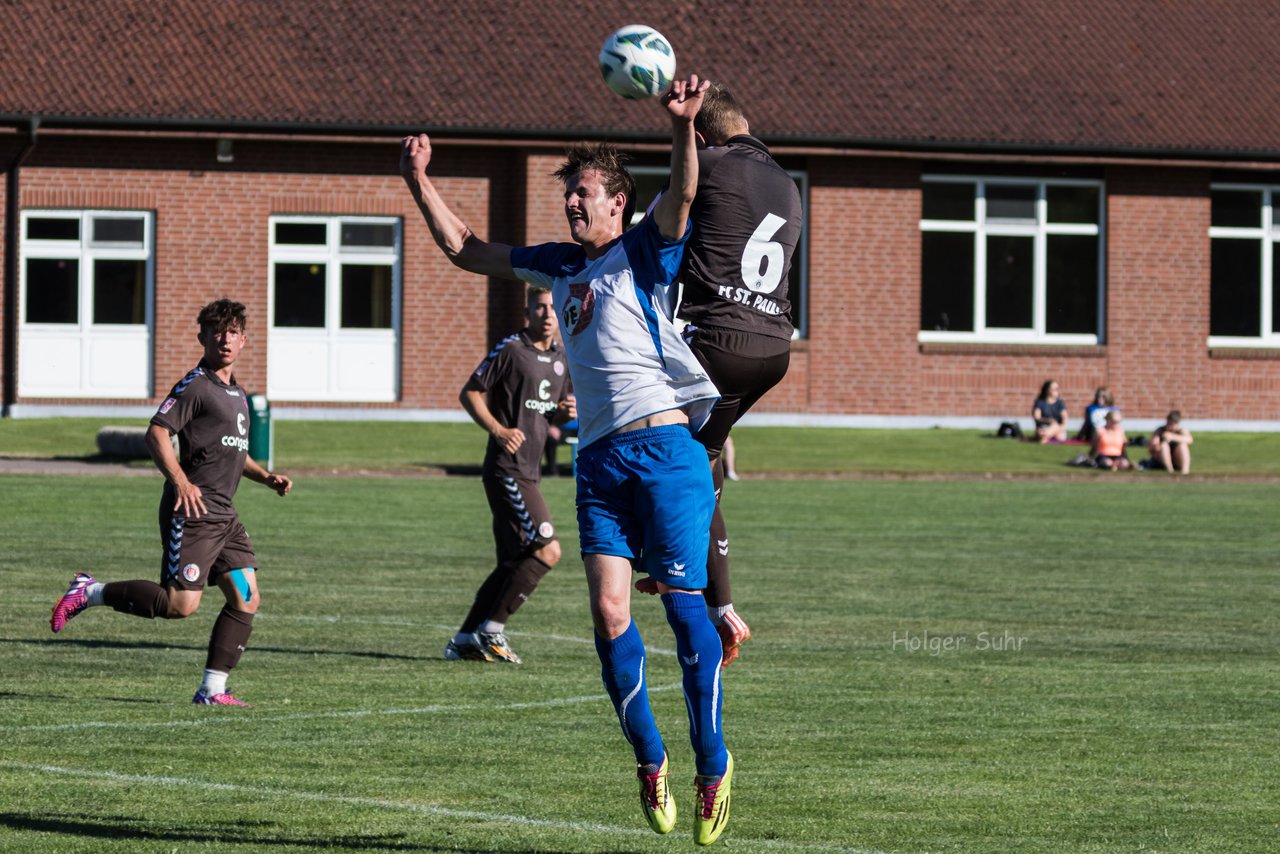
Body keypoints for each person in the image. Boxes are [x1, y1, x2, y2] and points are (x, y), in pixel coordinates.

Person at [401, 74, 734, 846]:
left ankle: (711, 763)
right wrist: (420, 182)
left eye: (586, 193)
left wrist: (682, 126)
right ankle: (650, 759)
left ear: (619, 202)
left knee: (686, 618)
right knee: (610, 613)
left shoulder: (648, 248)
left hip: (667, 453)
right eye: (570, 195)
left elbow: (683, 196)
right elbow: (464, 249)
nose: (574, 204)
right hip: (601, 465)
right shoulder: (559, 266)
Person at [50, 298, 293, 705]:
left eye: (232, 331)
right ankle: (90, 590)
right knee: (179, 605)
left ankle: (212, 690)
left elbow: (233, 450)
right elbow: (157, 433)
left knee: (246, 596)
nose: (225, 339)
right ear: (203, 337)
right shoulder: (195, 385)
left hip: (224, 515)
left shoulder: (237, 393)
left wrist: (266, 477)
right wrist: (180, 481)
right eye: (216, 331)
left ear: (245, 339)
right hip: (194, 512)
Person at [637, 83, 803, 668]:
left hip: (716, 338)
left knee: (638, 436)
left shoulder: (703, 163)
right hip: (773, 347)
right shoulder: (787, 182)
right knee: (701, 455)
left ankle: (658, 557)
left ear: (699, 136)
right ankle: (721, 608)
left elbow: (661, 228)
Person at [445, 286, 575, 664]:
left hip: (530, 471)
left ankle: (465, 638)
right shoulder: (511, 349)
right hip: (507, 470)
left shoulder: (561, 357)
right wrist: (498, 431)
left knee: (511, 563)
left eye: (553, 307)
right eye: (540, 307)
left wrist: (566, 413)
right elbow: (470, 393)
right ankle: (493, 630)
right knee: (548, 550)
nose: (547, 314)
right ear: (528, 312)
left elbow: (553, 412)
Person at [1033, 379, 1069, 443]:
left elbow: (1065, 418)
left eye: (1058, 389)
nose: (1057, 391)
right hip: (1044, 426)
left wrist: (1061, 427)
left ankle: (1044, 436)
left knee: (1059, 434)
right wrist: (1048, 421)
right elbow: (1037, 417)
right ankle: (1046, 435)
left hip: (1058, 428)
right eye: (1055, 389)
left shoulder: (1060, 403)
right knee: (1057, 434)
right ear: (1048, 390)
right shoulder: (1040, 402)